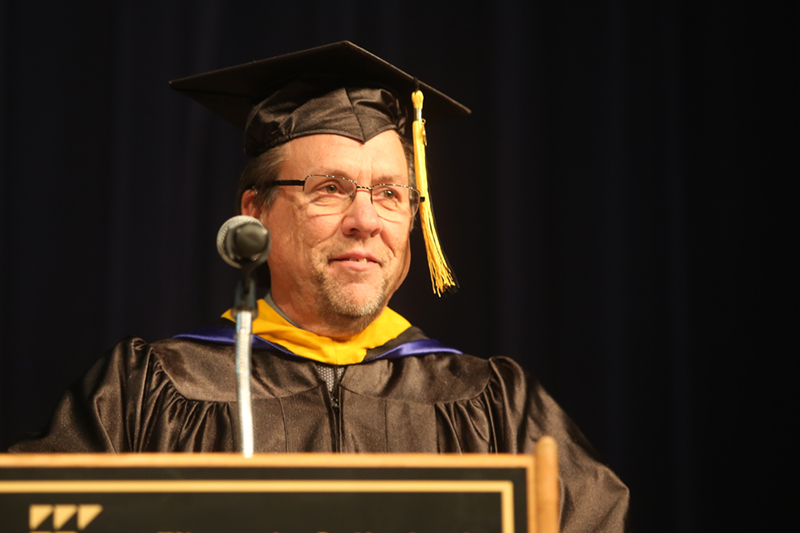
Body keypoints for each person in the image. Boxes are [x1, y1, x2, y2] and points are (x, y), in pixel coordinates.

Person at [9, 42, 629, 531]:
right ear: (254, 215)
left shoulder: (498, 404)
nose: (366, 220)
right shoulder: (146, 391)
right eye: (329, 188)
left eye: (391, 194)